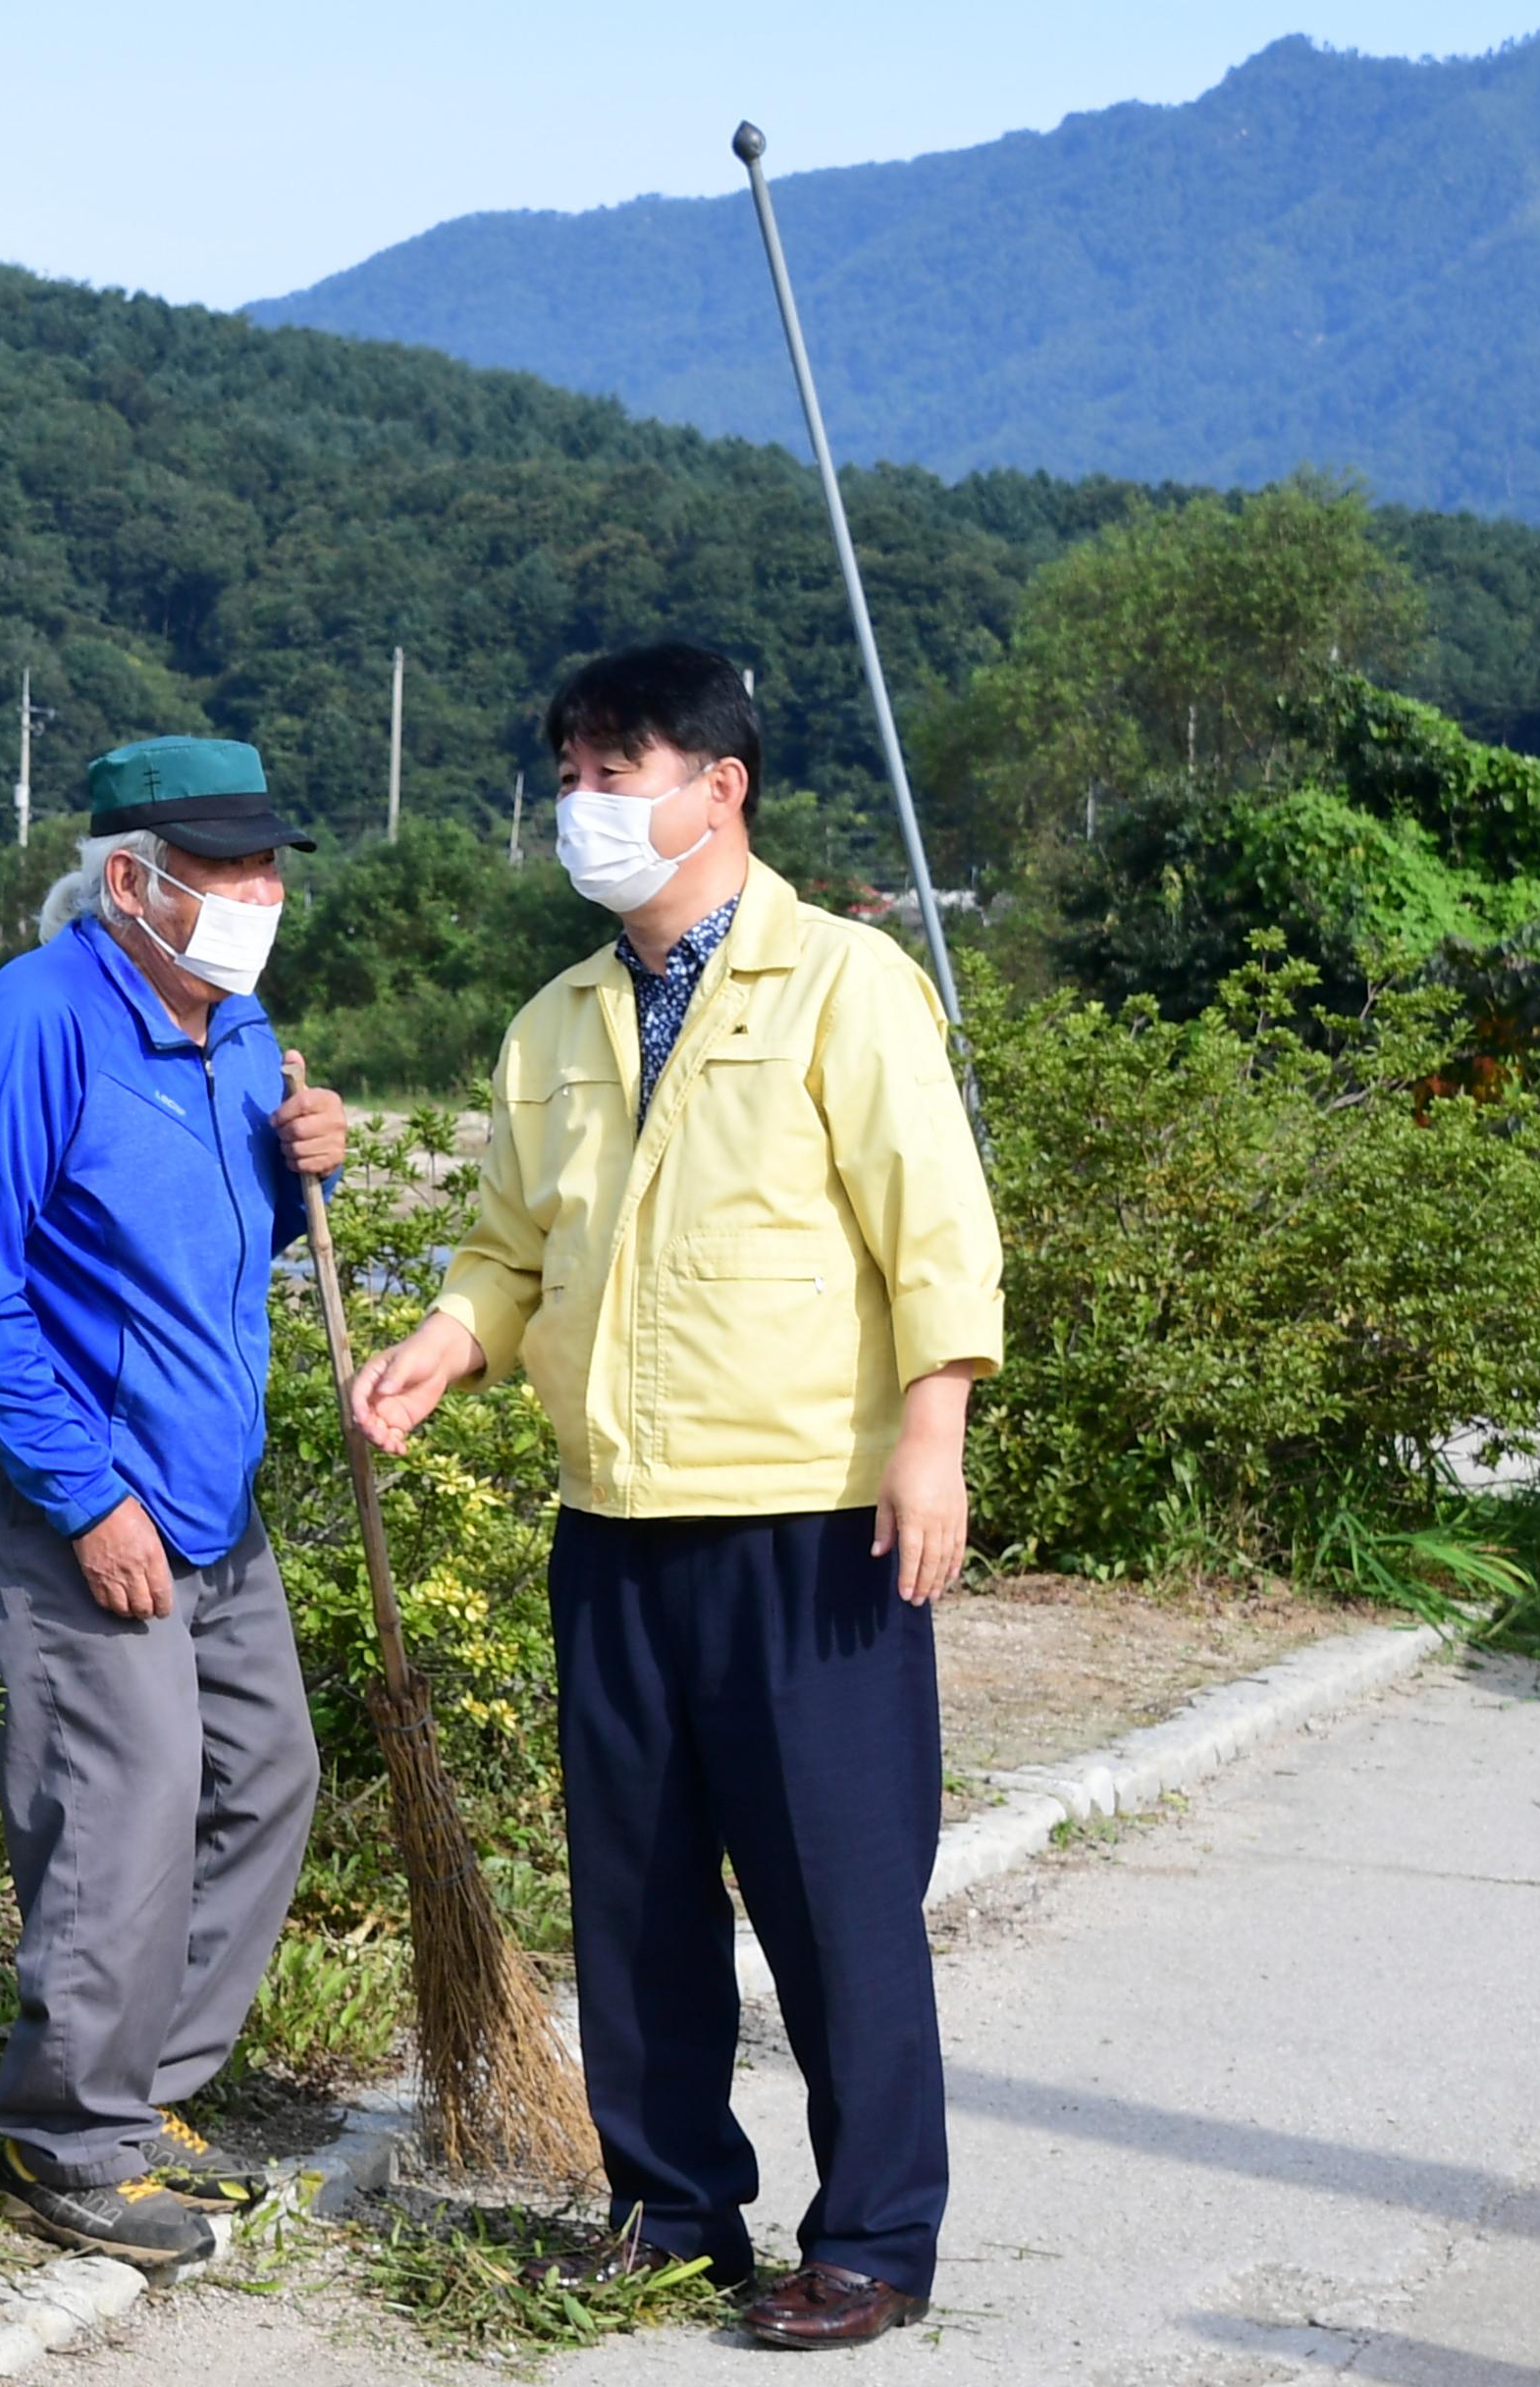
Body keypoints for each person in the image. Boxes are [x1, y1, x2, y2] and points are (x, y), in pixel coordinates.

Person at [346, 646, 1000, 2350]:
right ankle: (674, 2208)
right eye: (569, 770)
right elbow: (510, 1248)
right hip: (616, 1519)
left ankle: (871, 2238)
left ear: (722, 785)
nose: (585, 804)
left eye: (618, 768)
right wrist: (442, 1343)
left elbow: (935, 1237)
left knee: (837, 1899)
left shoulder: (846, 985)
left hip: (810, 1520)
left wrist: (931, 1438)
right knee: (633, 1891)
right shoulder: (556, 1019)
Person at [0, 734, 349, 2271]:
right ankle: (65, 2139)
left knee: (264, 1774)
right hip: (57, 1473)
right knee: (131, 1782)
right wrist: (92, 1501)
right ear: (132, 881)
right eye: (226, 868)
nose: (260, 893)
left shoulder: (238, 1024)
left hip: (206, 1478)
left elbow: (220, 1246)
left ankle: (146, 2094)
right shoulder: (38, 1022)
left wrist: (310, 1178)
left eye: (270, 863)